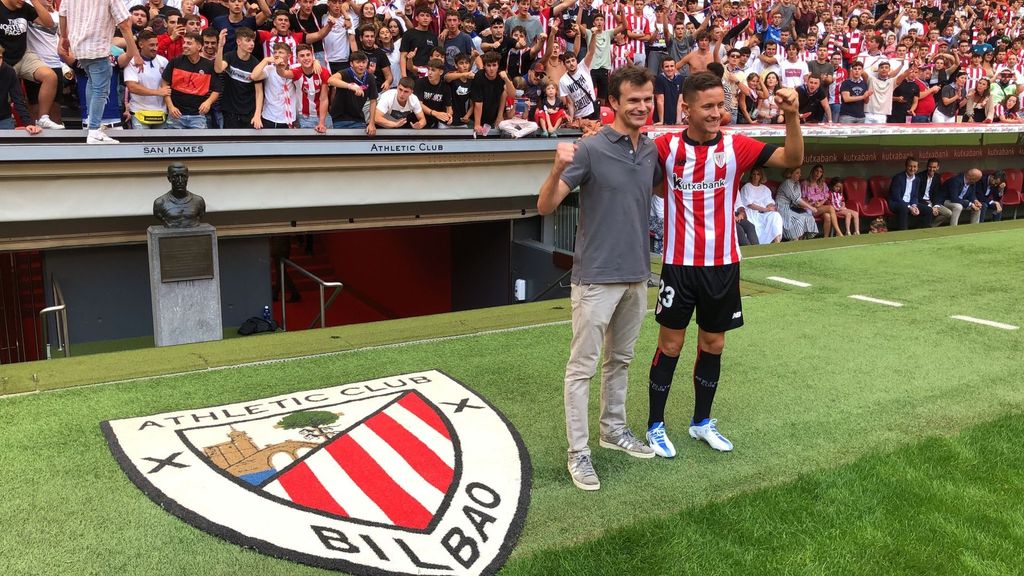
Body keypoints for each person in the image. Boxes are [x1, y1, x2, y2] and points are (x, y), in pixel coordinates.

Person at [644, 71, 803, 460]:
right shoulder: (664, 148)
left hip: (724, 264)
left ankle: (701, 422)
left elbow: (792, 159)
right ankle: (655, 425)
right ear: (687, 108)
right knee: (671, 344)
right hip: (680, 265)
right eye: (709, 106)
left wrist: (793, 116)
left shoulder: (738, 146)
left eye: (722, 105)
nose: (718, 113)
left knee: (713, 344)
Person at [537, 65, 663, 491]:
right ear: (613, 102)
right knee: (582, 369)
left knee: (621, 361)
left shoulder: (650, 151)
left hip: (636, 275)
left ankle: (613, 430)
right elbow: (545, 206)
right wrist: (556, 170)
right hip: (594, 278)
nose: (642, 106)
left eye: (647, 99)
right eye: (633, 100)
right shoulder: (589, 149)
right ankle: (579, 453)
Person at [59, 0, 141, 143]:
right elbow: (124, 23)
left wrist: (64, 38)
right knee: (101, 90)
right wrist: (135, 53)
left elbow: (62, 14)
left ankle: (92, 123)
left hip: (79, 48)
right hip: (98, 48)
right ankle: (94, 130)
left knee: (92, 83)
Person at [2, 0, 61, 130]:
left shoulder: (24, 7)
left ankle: (43, 118)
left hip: (22, 56)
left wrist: (34, 1)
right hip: (2, 58)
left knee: (50, 76)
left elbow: (49, 24)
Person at [162, 32, 220, 129]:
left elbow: (217, 89)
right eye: (184, 42)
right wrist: (170, 106)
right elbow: (164, 84)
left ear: (199, 47)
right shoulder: (175, 61)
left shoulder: (209, 65)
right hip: (176, 115)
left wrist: (208, 102)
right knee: (174, 144)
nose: (184, 45)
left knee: (199, 144)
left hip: (198, 116)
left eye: (189, 43)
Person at [214, 27, 260, 129]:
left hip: (249, 113)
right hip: (229, 112)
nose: (252, 44)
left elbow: (259, 92)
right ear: (238, 42)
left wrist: (257, 115)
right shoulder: (229, 56)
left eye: (253, 41)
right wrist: (220, 46)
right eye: (248, 40)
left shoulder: (255, 63)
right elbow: (218, 69)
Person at [124, 30, 170, 129]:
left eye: (157, 45)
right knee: (141, 144)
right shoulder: (132, 62)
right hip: (139, 113)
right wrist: (157, 92)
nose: (155, 48)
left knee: (161, 145)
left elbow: (168, 86)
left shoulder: (164, 61)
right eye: (151, 45)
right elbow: (132, 87)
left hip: (161, 113)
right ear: (141, 44)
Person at [328, 50, 378, 134]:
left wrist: (372, 123)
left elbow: (373, 101)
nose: (361, 65)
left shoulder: (370, 77)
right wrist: (350, 86)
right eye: (358, 62)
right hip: (339, 119)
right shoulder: (345, 72)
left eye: (364, 62)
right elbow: (331, 80)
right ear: (351, 63)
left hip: (358, 119)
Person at [0, 43, 41, 133]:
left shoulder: (9, 71)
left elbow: (18, 100)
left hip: (3, 120)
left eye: (0, 58)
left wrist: (28, 123)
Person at [471, 50, 514, 135]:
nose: (491, 69)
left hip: (495, 115)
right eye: (488, 65)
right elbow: (478, 103)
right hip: (478, 115)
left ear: (498, 65)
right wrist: (477, 124)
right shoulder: (479, 76)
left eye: (494, 65)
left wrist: (506, 79)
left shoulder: (502, 76)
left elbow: (512, 94)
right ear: (484, 66)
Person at [738, 167, 784, 244]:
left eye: (758, 174)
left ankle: (777, 241)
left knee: (776, 216)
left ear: (761, 176)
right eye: (754, 174)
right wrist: (764, 209)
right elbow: (749, 204)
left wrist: (771, 207)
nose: (756, 176)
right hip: (752, 213)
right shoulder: (747, 187)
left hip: (764, 213)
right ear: (751, 176)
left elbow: (769, 201)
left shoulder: (765, 188)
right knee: (755, 225)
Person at [154, 163, 206, 228]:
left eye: (183, 176)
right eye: (175, 177)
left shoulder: (199, 201)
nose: (180, 181)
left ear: (187, 178)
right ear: (169, 179)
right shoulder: (160, 203)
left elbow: (200, 215)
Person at [888, 156, 932, 230]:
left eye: (915, 167)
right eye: (910, 166)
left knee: (928, 210)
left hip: (910, 203)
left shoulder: (917, 180)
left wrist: (914, 206)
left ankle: (921, 231)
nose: (912, 169)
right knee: (904, 207)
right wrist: (909, 207)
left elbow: (915, 196)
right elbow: (896, 197)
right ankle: (904, 232)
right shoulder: (898, 178)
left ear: (917, 168)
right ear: (906, 166)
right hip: (896, 203)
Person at [777, 166, 819, 240]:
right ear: (790, 174)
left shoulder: (797, 183)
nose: (800, 175)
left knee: (808, 216)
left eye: (800, 173)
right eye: (797, 173)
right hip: (782, 207)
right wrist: (811, 207)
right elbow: (797, 199)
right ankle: (794, 240)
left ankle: (803, 240)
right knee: (798, 219)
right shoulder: (787, 183)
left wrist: (809, 204)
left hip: (793, 207)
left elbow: (798, 199)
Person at [802, 164, 840, 236]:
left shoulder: (822, 184)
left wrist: (820, 204)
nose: (818, 173)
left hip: (819, 207)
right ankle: (838, 232)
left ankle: (826, 239)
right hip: (809, 209)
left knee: (827, 216)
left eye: (820, 172)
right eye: (816, 171)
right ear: (812, 171)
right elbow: (802, 200)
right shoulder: (805, 183)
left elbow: (826, 196)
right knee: (830, 208)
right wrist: (812, 204)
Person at [919, 158, 952, 227]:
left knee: (948, 213)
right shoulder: (919, 176)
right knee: (929, 210)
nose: (931, 169)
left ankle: (931, 226)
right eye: (930, 167)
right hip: (921, 201)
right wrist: (930, 207)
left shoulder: (937, 177)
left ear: (937, 168)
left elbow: (937, 194)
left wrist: (936, 205)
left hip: (932, 201)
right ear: (927, 166)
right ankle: (925, 227)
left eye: (934, 167)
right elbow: (916, 195)